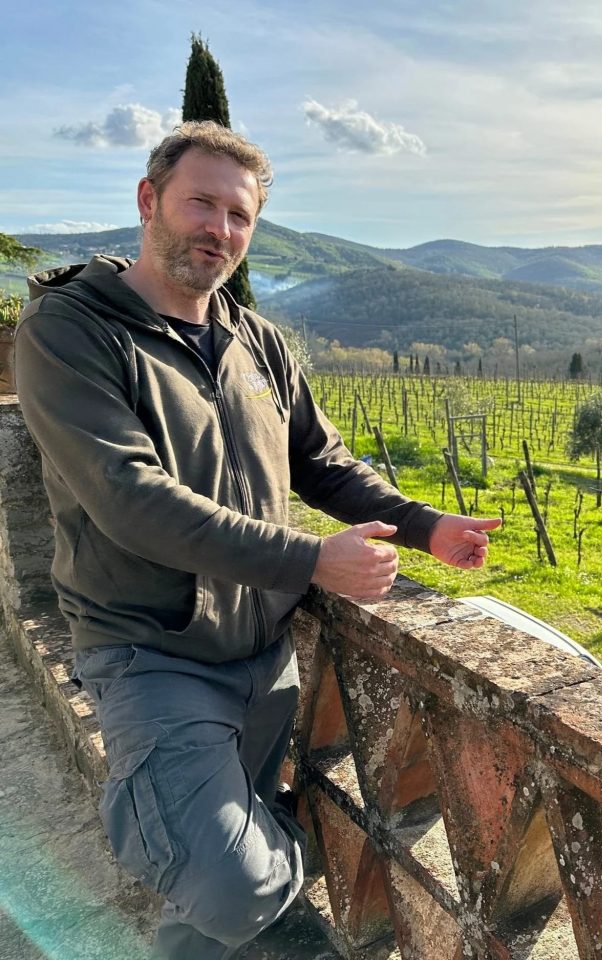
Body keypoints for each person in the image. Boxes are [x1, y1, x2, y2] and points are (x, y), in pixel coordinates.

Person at [15, 120, 501, 960]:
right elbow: (129, 501)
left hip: (265, 658)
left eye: (239, 216)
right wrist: (312, 559)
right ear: (148, 200)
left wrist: (426, 526)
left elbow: (320, 461)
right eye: (201, 203)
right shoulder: (72, 332)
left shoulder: (257, 341)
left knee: (211, 909)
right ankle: (198, 838)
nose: (220, 229)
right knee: (237, 884)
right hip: (150, 653)